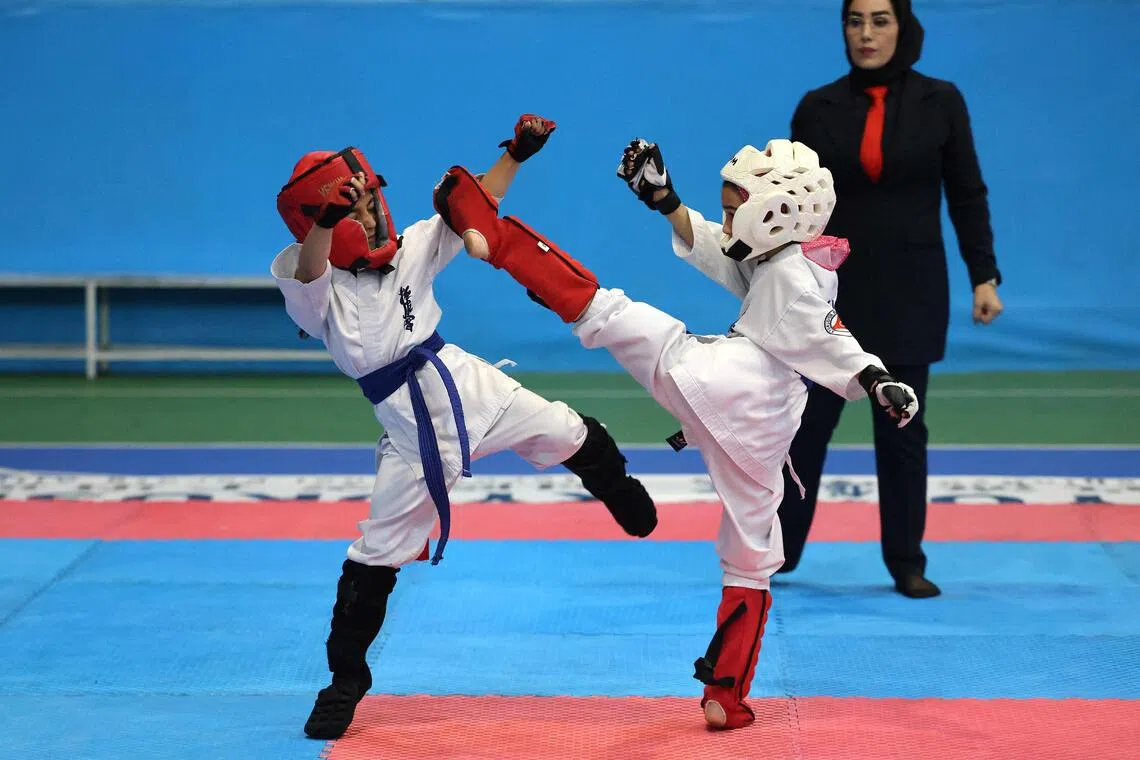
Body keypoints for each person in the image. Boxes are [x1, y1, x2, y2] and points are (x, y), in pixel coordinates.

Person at [430, 136, 920, 730]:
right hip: (765, 429)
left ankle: (494, 235)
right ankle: (725, 695)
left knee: (607, 312)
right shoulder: (781, 258)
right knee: (751, 557)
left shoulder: (796, 279)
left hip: (723, 385)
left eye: (738, 205)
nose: (730, 215)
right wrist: (667, 201)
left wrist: (878, 379)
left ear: (776, 212)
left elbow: (834, 339)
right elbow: (730, 255)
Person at [271, 115, 659, 740]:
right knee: (374, 556)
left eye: (368, 200)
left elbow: (477, 203)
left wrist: (517, 154)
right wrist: (325, 222)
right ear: (315, 221)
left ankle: (617, 486)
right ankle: (343, 681)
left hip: (466, 387)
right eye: (350, 209)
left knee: (568, 431)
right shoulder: (315, 287)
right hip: (410, 435)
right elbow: (311, 268)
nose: (366, 215)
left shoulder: (411, 248)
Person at [778, 0, 1005, 598]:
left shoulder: (942, 102)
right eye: (855, 20)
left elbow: (966, 191)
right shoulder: (816, 107)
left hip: (912, 292)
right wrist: (771, 284)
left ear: (903, 28)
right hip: (831, 298)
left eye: (880, 20)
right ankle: (777, 552)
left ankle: (907, 562)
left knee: (903, 433)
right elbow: (792, 205)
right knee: (803, 432)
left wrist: (985, 274)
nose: (866, 33)